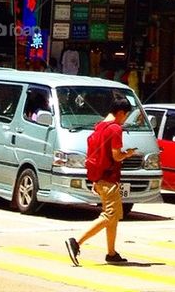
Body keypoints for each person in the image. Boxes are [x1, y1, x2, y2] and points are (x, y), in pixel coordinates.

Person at [66, 95, 136, 265]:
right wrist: (128, 154)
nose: (125, 119)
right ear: (120, 113)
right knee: (109, 215)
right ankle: (77, 242)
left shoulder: (100, 127)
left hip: (99, 178)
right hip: (109, 179)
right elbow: (116, 156)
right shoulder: (115, 129)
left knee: (113, 216)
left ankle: (111, 253)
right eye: (126, 115)